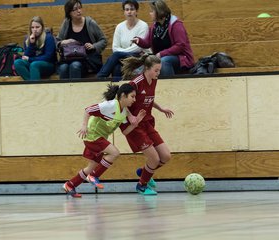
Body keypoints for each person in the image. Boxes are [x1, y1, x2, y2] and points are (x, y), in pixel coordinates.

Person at [63, 83, 146, 198]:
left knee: (91, 166)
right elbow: (88, 110)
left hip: (99, 138)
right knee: (115, 153)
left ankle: (70, 185)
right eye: (132, 96)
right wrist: (84, 126)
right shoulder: (110, 105)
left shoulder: (124, 112)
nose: (134, 99)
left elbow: (126, 132)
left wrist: (136, 123)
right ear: (123, 96)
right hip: (92, 136)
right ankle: (94, 176)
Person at [121, 54, 174, 195]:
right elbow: (120, 99)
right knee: (154, 158)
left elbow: (149, 99)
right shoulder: (136, 83)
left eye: (159, 70)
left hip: (147, 122)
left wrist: (161, 108)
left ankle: (144, 173)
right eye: (156, 70)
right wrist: (130, 115)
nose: (158, 73)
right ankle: (142, 185)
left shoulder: (154, 80)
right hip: (135, 126)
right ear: (146, 68)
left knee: (166, 156)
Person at [131, 0, 194, 77]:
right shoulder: (154, 26)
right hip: (161, 58)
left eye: (151, 11)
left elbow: (180, 46)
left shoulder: (176, 25)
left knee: (164, 61)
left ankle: (170, 85)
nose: (149, 13)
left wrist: (161, 54)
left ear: (158, 12)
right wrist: (139, 40)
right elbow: (147, 43)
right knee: (144, 66)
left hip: (181, 59)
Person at [96, 0, 148, 82]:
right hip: (122, 58)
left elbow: (138, 48)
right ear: (124, 12)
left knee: (116, 55)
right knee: (116, 67)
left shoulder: (143, 25)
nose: (129, 12)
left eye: (132, 9)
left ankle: (99, 78)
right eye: (127, 10)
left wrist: (120, 53)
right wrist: (121, 54)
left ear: (136, 11)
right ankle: (117, 90)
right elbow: (115, 47)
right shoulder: (119, 26)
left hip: (138, 56)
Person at [56, 0, 107, 80]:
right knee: (63, 68)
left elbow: (103, 40)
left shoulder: (90, 23)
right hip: (68, 59)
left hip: (88, 60)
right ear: (69, 12)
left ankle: (75, 91)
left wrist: (93, 46)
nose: (79, 11)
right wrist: (63, 42)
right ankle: (64, 92)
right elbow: (57, 42)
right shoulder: (66, 23)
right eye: (75, 9)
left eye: (80, 8)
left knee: (75, 65)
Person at [14, 16, 57, 81]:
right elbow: (26, 55)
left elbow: (48, 57)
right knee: (17, 63)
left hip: (48, 65)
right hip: (33, 64)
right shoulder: (28, 38)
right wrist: (32, 44)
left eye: (37, 27)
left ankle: (34, 87)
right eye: (32, 27)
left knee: (34, 64)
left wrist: (30, 59)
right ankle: (31, 84)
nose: (35, 29)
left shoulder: (48, 37)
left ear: (42, 27)